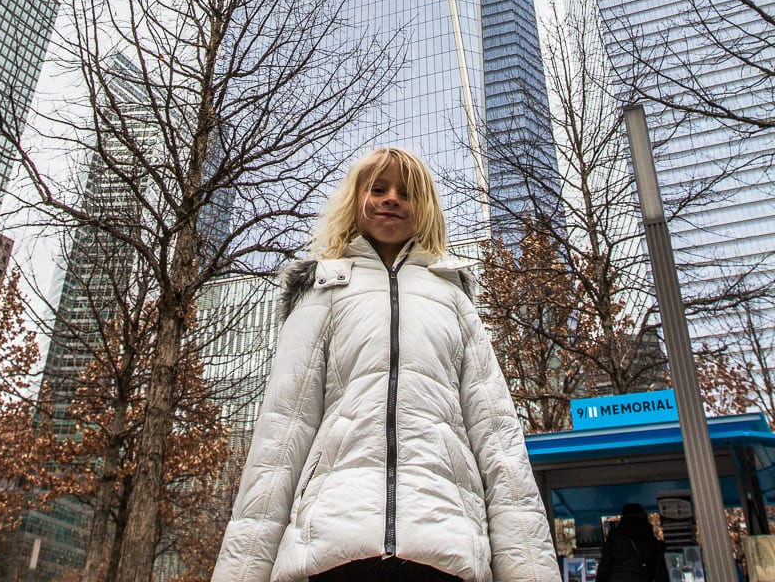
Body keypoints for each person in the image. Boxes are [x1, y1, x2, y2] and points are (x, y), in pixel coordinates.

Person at [211, 147, 560, 582]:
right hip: (332, 548)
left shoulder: (452, 297)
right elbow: (281, 436)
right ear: (354, 201)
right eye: (377, 188)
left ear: (425, 208)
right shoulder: (323, 290)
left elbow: (498, 438)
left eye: (405, 192)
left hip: (445, 545)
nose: (391, 198)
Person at [595, 504, 668, 582]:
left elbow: (604, 569)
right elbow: (660, 573)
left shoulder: (614, 539)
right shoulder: (653, 542)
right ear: (644, 516)